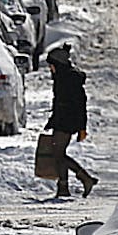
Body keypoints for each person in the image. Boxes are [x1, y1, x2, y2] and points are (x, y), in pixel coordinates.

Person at [45, 44, 98, 198]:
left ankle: (85, 178)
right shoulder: (61, 78)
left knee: (58, 153)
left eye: (51, 65)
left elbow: (80, 104)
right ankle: (63, 188)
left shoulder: (69, 79)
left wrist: (82, 127)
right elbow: (58, 103)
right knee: (58, 153)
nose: (50, 69)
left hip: (67, 122)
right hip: (62, 120)